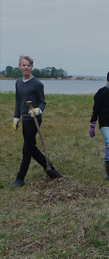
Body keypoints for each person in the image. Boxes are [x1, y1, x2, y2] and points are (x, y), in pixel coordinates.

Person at [12, 55, 62, 187]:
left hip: (34, 120)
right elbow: (18, 101)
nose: (26, 67)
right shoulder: (18, 82)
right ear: (20, 66)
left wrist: (37, 110)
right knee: (31, 147)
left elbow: (42, 102)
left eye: (28, 65)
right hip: (24, 119)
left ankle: (20, 178)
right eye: (24, 65)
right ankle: (51, 170)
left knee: (27, 149)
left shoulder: (37, 84)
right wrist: (16, 118)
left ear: (31, 67)